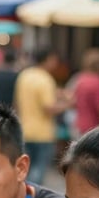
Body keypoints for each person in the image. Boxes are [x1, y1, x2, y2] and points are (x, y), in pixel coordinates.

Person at [14, 47, 70, 184]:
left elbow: (17, 103)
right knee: (38, 172)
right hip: (42, 133)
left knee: (24, 170)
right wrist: (67, 105)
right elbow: (48, 108)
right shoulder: (45, 79)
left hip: (24, 130)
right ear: (48, 59)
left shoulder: (24, 75)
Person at [73, 47, 99, 134]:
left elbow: (74, 101)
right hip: (93, 128)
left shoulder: (81, 78)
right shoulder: (97, 81)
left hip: (79, 124)